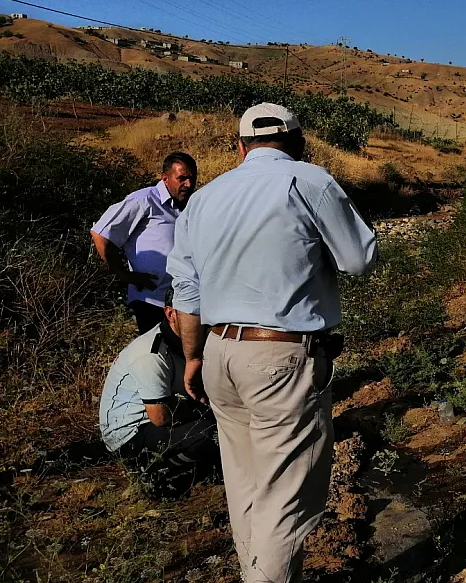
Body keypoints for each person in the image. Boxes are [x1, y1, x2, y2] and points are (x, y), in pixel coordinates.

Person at [167, 103, 378, 583]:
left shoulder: (204, 198)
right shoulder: (309, 181)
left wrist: (194, 355)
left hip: (219, 353)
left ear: (240, 147)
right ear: (300, 143)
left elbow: (187, 290)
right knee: (285, 499)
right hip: (281, 356)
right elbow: (359, 259)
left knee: (244, 487)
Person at [98, 287, 218, 496]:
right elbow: (159, 415)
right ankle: (158, 473)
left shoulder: (191, 341)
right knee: (212, 434)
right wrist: (202, 410)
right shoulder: (151, 353)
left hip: (162, 416)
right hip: (130, 433)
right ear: (171, 314)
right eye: (194, 313)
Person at [91, 152, 198, 333]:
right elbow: (101, 234)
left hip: (183, 302)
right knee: (156, 355)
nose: (188, 184)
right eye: (182, 178)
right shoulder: (144, 200)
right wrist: (126, 275)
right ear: (165, 178)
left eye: (192, 179)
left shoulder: (191, 206)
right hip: (151, 300)